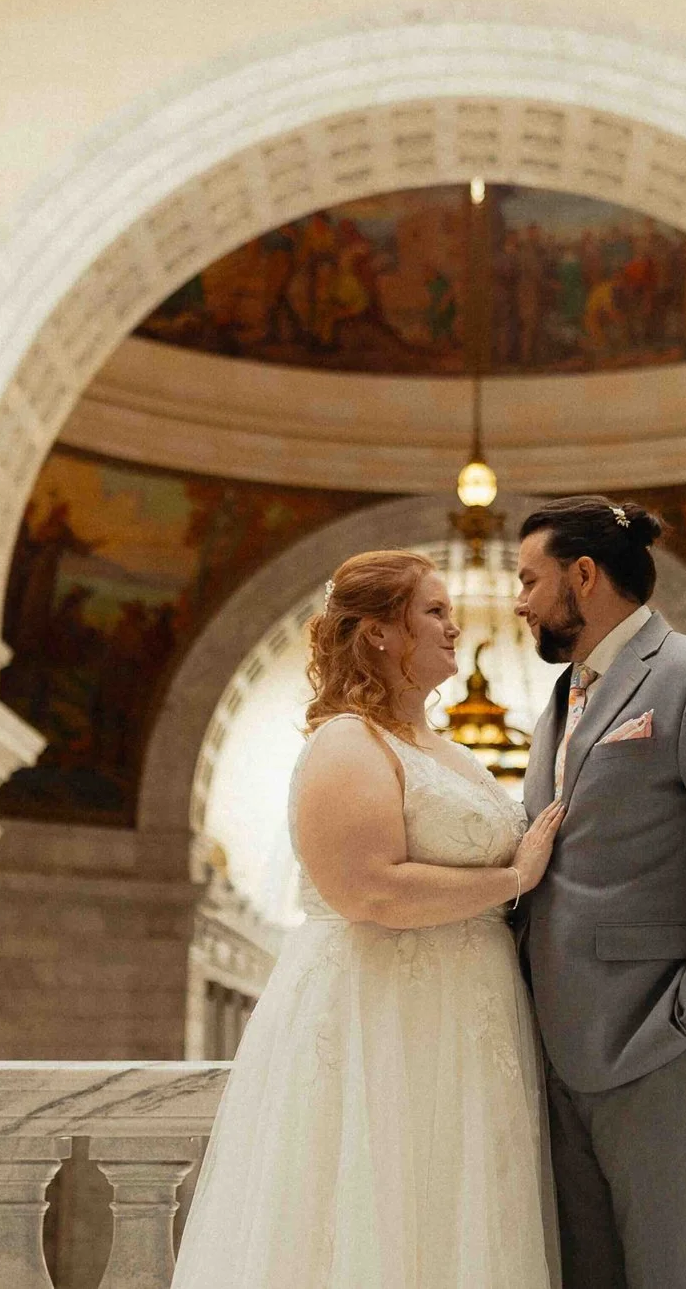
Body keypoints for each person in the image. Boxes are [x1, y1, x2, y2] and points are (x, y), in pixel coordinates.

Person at [171, 549, 567, 1289]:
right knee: (377, 1206)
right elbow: (368, 891)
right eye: (435, 611)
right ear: (382, 632)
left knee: (462, 1205)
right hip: (383, 1016)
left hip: (469, 1019)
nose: (457, 626)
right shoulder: (347, 741)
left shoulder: (447, 752)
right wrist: (513, 876)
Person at [512, 496, 686, 1289]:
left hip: (660, 1044)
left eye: (530, 578)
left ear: (584, 574)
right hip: (556, 1049)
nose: (520, 599)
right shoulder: (559, 701)